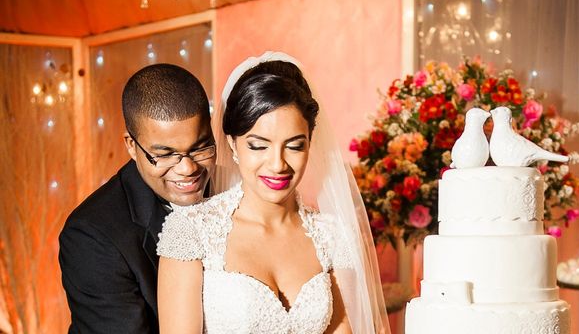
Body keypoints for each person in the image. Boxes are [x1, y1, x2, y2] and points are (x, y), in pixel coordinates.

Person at [157, 52, 390, 334]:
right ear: (232, 143)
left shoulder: (333, 236)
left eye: (294, 146)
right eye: (258, 146)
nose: (278, 164)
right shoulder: (192, 230)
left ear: (310, 143)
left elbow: (342, 328)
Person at [58, 64, 216, 333]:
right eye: (165, 154)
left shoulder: (235, 191)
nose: (187, 168)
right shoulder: (92, 235)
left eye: (200, 148)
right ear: (131, 145)